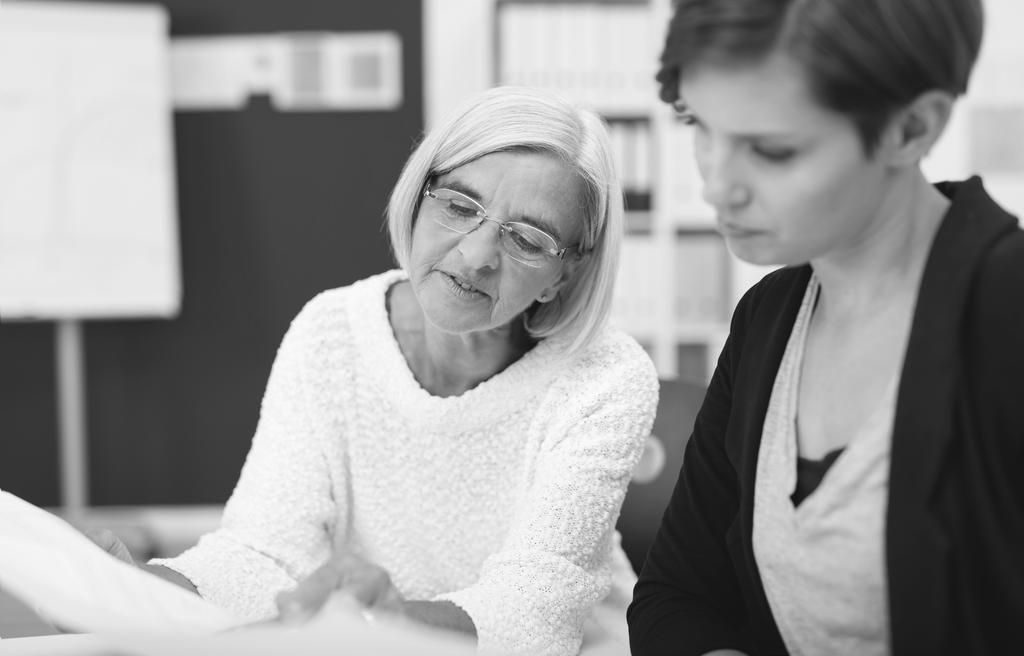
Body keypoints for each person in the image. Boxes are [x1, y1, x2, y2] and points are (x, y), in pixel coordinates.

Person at [95, 86, 658, 656]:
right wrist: (134, 589)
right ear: (419, 196)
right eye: (460, 207)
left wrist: (383, 622)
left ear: (566, 273)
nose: (475, 255)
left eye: (528, 240)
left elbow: (533, 617)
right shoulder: (331, 331)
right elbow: (264, 554)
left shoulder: (605, 378)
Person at [627, 1, 1024, 655]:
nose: (717, 186)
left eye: (772, 150)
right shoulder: (768, 319)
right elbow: (677, 596)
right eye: (700, 125)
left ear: (911, 130)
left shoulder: (1007, 311)